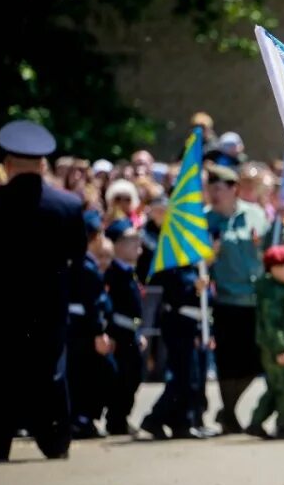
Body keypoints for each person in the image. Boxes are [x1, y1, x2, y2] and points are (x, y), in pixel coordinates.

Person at [0, 121, 84, 460]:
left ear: (8, 165)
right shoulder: (68, 206)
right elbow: (78, 256)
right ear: (43, 165)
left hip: (1, 309)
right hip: (50, 309)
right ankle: (55, 441)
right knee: (50, 375)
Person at [206, 163, 270, 434]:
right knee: (227, 361)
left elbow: (269, 247)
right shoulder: (205, 221)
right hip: (227, 303)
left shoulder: (255, 215)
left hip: (255, 300)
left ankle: (228, 410)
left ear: (234, 190)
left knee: (253, 361)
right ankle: (229, 413)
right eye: (210, 189)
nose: (213, 194)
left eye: (219, 188)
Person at [141, 263, 209, 439]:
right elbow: (174, 298)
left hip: (194, 325)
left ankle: (181, 423)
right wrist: (194, 288)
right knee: (183, 378)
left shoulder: (196, 269)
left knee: (192, 378)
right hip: (178, 325)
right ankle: (155, 418)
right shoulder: (172, 270)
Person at [247, 245, 284, 439]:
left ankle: (256, 423)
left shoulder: (282, 289)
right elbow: (272, 326)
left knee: (275, 387)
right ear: (274, 268)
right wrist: (281, 349)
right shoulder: (272, 293)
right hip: (276, 348)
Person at [67, 210, 114, 439]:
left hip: (69, 328)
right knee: (90, 376)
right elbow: (93, 303)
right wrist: (98, 333)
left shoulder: (67, 260)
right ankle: (82, 420)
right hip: (84, 331)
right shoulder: (86, 266)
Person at [102, 219, 145, 438]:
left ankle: (120, 419)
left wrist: (137, 332)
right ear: (116, 244)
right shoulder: (112, 273)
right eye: (130, 240)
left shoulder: (129, 271)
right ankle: (115, 420)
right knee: (122, 379)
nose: (138, 243)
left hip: (130, 333)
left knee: (133, 376)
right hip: (118, 334)